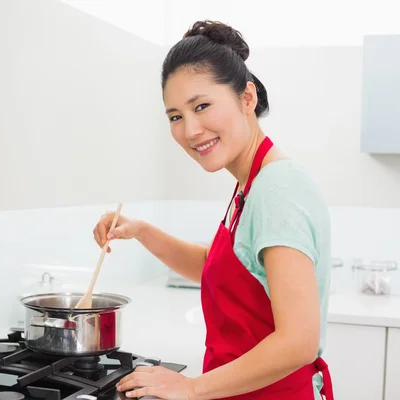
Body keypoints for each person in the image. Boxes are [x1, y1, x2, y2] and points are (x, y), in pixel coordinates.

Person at [92, 20, 334, 400]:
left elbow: (299, 341)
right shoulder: (250, 184)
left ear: (247, 98)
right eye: (175, 116)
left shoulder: (277, 188)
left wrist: (191, 387)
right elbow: (217, 267)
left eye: (202, 106)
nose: (190, 130)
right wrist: (140, 230)